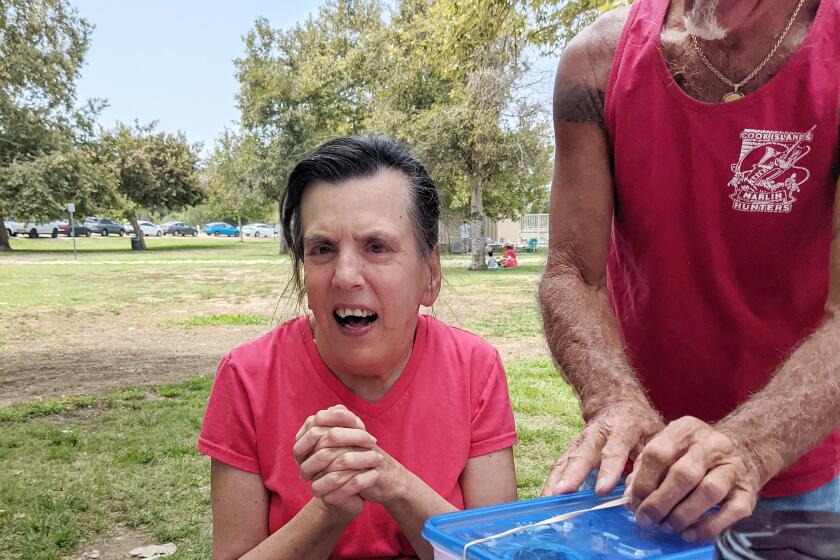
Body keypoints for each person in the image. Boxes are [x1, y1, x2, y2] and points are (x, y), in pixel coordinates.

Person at [539, 0, 839, 544]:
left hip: (801, 472)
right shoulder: (596, 61)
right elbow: (571, 272)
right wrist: (612, 398)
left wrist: (751, 446)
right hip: (637, 468)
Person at [197, 135, 517, 560]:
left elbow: (495, 553)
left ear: (431, 274)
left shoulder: (474, 368)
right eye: (323, 249)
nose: (346, 275)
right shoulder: (247, 377)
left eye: (377, 247)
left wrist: (394, 484)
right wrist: (329, 510)